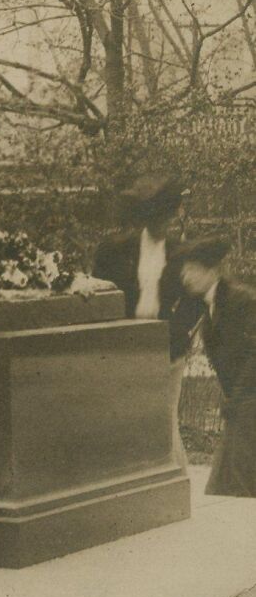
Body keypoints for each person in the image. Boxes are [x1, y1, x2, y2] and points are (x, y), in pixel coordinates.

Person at [93, 174, 200, 469]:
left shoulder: (180, 252)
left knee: (164, 420)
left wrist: (177, 333)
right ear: (144, 217)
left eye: (167, 216)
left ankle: (176, 484)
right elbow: (100, 293)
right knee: (128, 419)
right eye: (157, 217)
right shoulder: (115, 250)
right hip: (126, 346)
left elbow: (195, 299)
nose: (163, 224)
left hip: (168, 348)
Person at [178, 236, 256, 496]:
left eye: (192, 270)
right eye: (184, 269)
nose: (185, 276)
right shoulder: (209, 304)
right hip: (240, 405)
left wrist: (238, 399)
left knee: (235, 481)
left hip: (248, 403)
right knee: (229, 481)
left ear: (211, 271)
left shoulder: (241, 300)